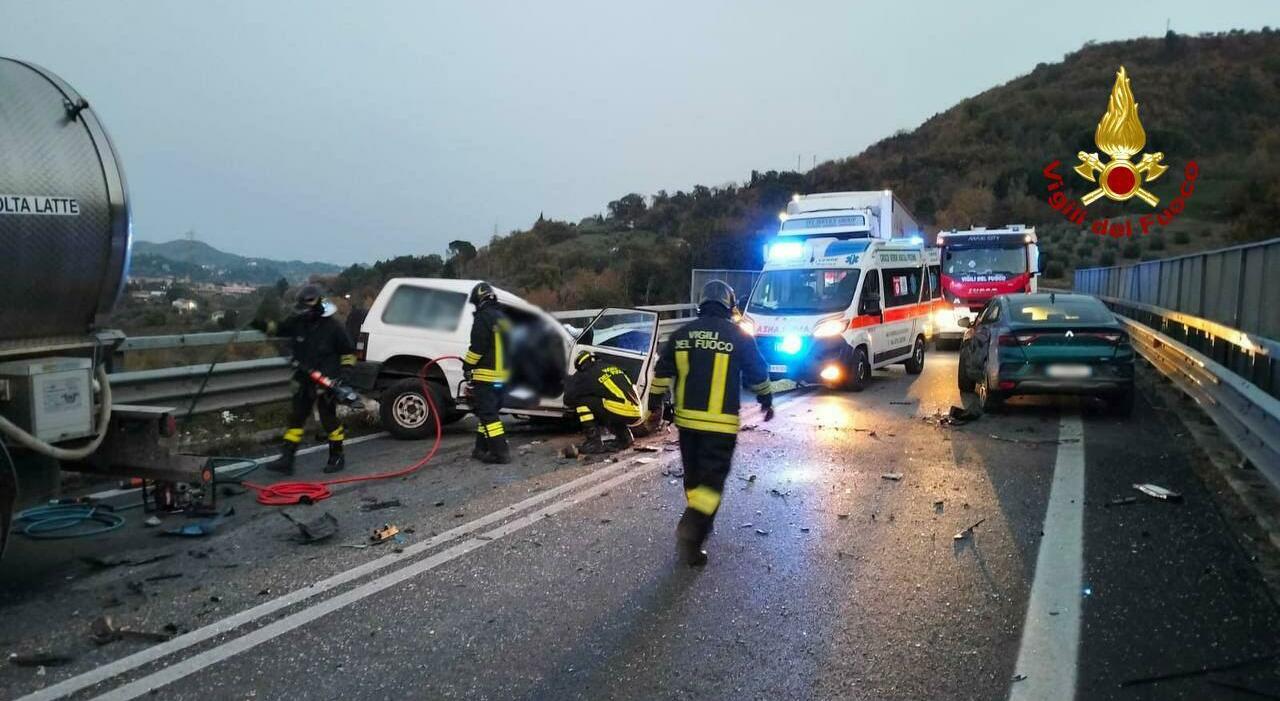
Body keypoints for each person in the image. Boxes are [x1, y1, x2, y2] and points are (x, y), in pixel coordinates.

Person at [651, 280, 773, 566]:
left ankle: (702, 520)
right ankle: (692, 530)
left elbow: (661, 373)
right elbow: (758, 371)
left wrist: (655, 405)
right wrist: (766, 399)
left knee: (694, 478)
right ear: (730, 307)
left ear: (701, 304)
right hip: (720, 426)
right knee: (712, 483)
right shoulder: (738, 336)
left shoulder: (681, 334)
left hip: (688, 425)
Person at [255, 285, 356, 475]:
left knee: (328, 419)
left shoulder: (334, 327)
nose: (306, 312)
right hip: (303, 378)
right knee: (296, 417)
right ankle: (287, 459)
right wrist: (259, 324)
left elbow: (348, 353)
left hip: (327, 380)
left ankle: (337, 456)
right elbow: (280, 329)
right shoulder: (298, 322)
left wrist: (344, 377)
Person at [463, 281, 512, 464]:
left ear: (479, 299)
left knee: (489, 415)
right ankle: (480, 448)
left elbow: (478, 347)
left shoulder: (483, 317)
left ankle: (501, 453)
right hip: (503, 377)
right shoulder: (503, 318)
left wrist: (467, 366)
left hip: (487, 376)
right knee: (488, 412)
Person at [563, 350, 641, 454]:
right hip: (637, 411)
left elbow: (568, 399)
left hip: (620, 410)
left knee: (582, 402)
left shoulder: (586, 374)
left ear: (580, 365)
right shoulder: (612, 367)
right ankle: (625, 438)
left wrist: (572, 383)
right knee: (609, 404)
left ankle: (593, 443)